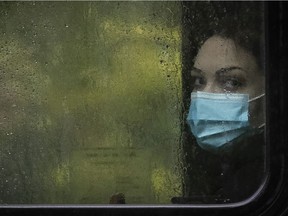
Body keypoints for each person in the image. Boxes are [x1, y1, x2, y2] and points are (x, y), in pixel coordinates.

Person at [181, 2, 266, 203]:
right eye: (199, 80)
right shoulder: (213, 170)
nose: (205, 95)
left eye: (231, 82)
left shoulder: (269, 182)